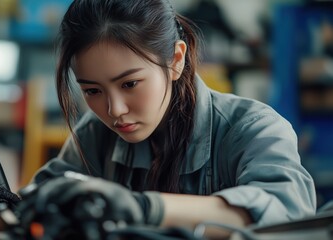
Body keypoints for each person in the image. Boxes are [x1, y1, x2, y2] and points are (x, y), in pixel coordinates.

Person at [29, 0, 316, 238]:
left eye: (129, 84)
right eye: (92, 90)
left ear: (176, 59)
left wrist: (144, 209)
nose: (115, 110)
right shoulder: (95, 133)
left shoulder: (252, 128)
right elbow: (40, 199)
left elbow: (286, 213)